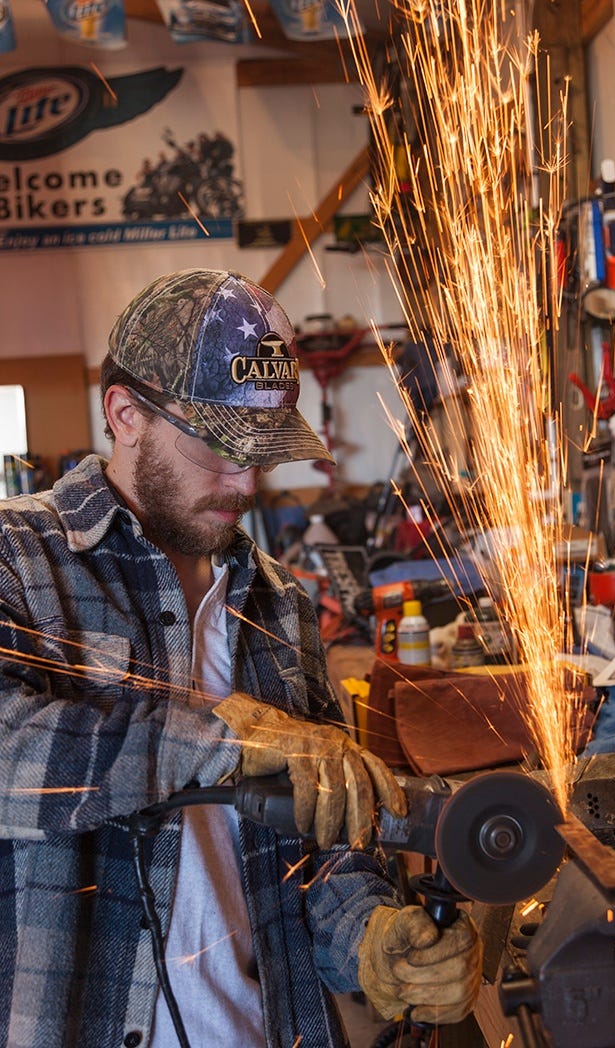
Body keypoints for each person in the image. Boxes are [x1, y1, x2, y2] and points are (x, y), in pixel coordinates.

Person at [0, 269, 482, 1048]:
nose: (248, 481)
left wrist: (367, 936)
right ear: (125, 413)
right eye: (221, 447)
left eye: (263, 451)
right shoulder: (19, 560)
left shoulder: (281, 606)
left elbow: (323, 841)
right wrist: (224, 742)